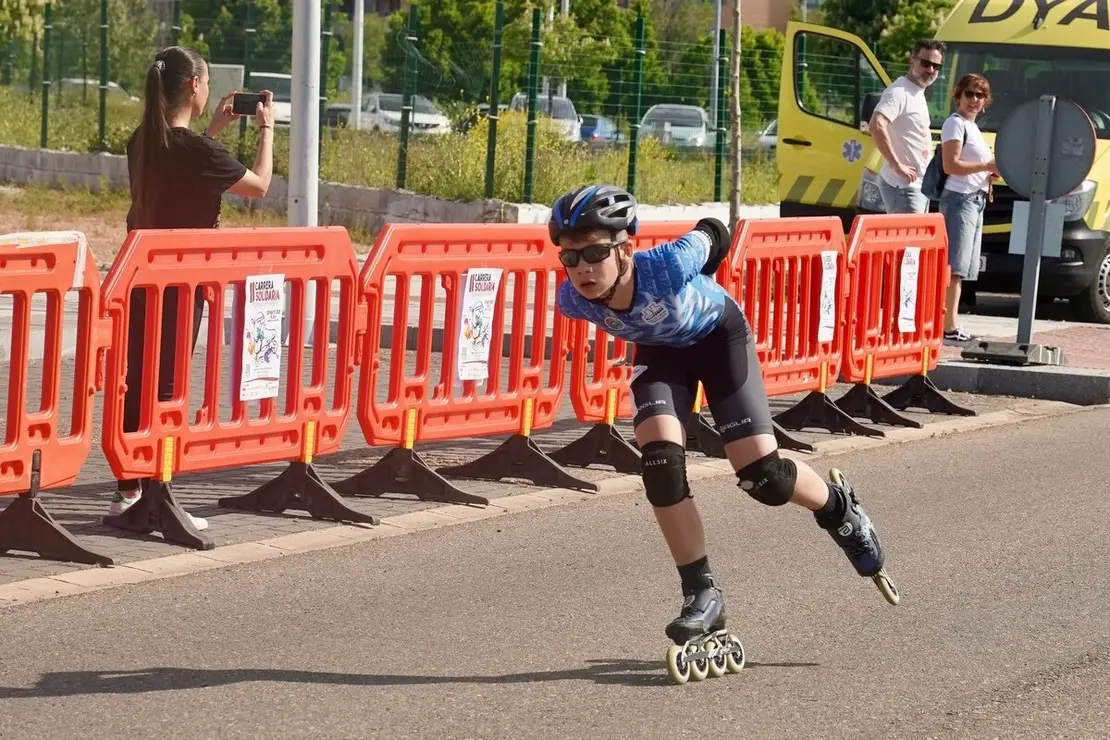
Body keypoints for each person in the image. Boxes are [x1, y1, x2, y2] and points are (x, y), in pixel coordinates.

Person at [549, 184, 900, 650]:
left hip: (720, 342)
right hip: (662, 356)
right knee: (660, 466)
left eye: (594, 253)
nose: (582, 269)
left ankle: (838, 507)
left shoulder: (668, 264)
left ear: (626, 249)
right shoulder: (572, 300)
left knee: (764, 478)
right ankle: (702, 593)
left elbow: (716, 231)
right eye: (570, 258)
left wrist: (701, 273)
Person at [106, 46, 275, 528]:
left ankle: (129, 490)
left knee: (138, 380)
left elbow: (182, 166)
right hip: (181, 286)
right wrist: (266, 129)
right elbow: (259, 186)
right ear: (194, 85)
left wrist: (214, 132)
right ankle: (159, 493)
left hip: (140, 278)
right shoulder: (197, 152)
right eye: (206, 82)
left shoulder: (142, 140)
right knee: (167, 386)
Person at [940, 73, 998, 345]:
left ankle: (952, 323)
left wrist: (988, 174)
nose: (974, 100)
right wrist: (986, 166)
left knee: (962, 268)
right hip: (960, 199)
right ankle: (948, 327)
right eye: (969, 94)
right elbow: (950, 165)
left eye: (980, 95)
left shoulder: (973, 127)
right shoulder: (955, 124)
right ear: (958, 96)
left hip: (975, 200)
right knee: (955, 266)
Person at [870, 39, 946, 214]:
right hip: (904, 187)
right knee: (909, 234)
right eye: (925, 63)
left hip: (917, 186)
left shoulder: (917, 91)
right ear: (912, 60)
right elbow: (876, 124)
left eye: (936, 66)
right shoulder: (900, 92)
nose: (931, 70)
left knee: (915, 233)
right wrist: (896, 164)